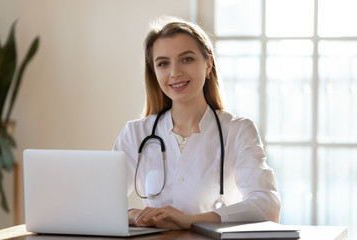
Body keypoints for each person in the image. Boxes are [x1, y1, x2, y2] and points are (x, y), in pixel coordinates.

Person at [113, 16, 280, 230]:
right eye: (163, 63)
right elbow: (99, 202)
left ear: (208, 64)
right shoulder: (136, 133)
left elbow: (268, 205)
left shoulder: (237, 130)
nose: (175, 73)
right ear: (154, 72)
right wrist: (136, 215)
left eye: (187, 59)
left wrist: (191, 221)